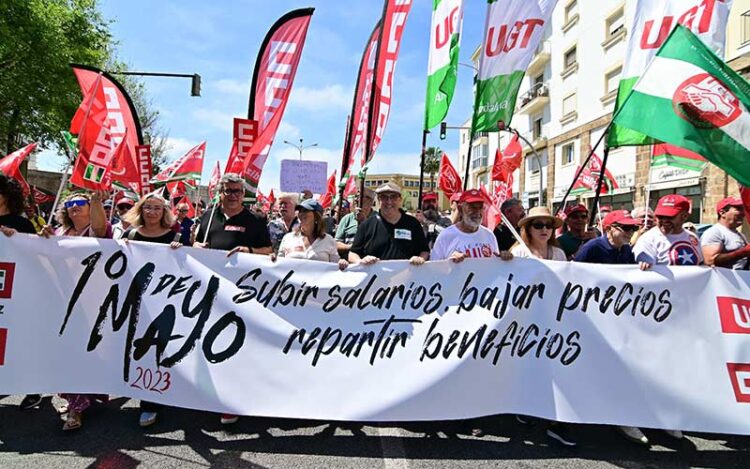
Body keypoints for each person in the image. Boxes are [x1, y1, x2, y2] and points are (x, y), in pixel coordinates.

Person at [193, 174, 272, 425]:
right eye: (229, 191)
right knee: (207, 343)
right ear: (220, 192)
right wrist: (196, 246)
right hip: (210, 291)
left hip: (242, 292)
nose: (234, 195)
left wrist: (248, 251)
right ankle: (209, 396)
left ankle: (234, 400)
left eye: (238, 191)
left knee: (236, 345)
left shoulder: (256, 219)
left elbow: (269, 251)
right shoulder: (208, 216)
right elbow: (194, 242)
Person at [573, 210, 648, 445]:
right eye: (625, 228)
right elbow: (572, 276)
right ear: (609, 228)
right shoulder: (592, 248)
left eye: (632, 229)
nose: (630, 233)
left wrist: (645, 264)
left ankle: (619, 415)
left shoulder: (626, 250)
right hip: (589, 316)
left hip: (615, 318)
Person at [50, 190, 112, 430]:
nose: (74, 207)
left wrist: (96, 200)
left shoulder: (96, 232)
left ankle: (77, 409)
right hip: (61, 299)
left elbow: (99, 228)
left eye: (79, 203)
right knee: (64, 352)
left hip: (90, 301)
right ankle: (73, 397)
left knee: (81, 351)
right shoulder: (59, 232)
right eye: (69, 204)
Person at [119, 193, 182, 427]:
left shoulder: (175, 236)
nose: (152, 212)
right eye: (148, 208)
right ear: (141, 210)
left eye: (157, 208)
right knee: (140, 349)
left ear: (164, 212)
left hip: (166, 302)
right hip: (137, 301)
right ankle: (147, 399)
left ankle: (156, 399)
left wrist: (180, 250)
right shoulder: (131, 235)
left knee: (160, 349)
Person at [0, 175, 43, 412]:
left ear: (7, 196)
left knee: (18, 341)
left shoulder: (22, 224)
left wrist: (16, 240)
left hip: (16, 292)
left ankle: (33, 388)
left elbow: (36, 255)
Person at [348, 183, 429, 265]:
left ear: (400, 200)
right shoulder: (366, 225)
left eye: (393, 197)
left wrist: (420, 259)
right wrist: (360, 261)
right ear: (379, 200)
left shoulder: (413, 223)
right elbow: (352, 254)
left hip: (407, 276)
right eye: (384, 197)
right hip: (375, 277)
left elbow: (425, 250)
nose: (389, 202)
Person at [431, 189, 513, 262]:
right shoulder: (446, 236)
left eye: (480, 207)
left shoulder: (489, 235)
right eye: (472, 207)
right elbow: (434, 271)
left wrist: (503, 258)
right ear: (460, 209)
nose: (477, 212)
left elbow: (495, 266)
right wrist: (449, 263)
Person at [634, 194, 703, 272]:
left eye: (670, 217)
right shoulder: (648, 239)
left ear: (685, 216)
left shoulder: (693, 237)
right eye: (660, 216)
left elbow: (701, 265)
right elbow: (648, 273)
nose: (664, 220)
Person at [277, 199, 346, 269]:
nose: (301, 213)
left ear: (316, 216)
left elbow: (335, 265)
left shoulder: (328, 240)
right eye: (300, 211)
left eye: (305, 210)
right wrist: (271, 259)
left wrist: (341, 262)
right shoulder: (288, 238)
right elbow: (278, 263)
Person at [701, 196, 749, 270]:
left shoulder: (740, 235)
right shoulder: (714, 232)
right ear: (722, 213)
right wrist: (742, 252)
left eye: (743, 209)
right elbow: (710, 260)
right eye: (738, 209)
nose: (743, 213)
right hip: (722, 280)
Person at [335, 188, 376, 256]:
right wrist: (352, 247)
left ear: (371, 201)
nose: (357, 199)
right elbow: (336, 243)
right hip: (350, 263)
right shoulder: (346, 219)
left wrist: (364, 222)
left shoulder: (378, 218)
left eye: (361, 197)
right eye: (356, 196)